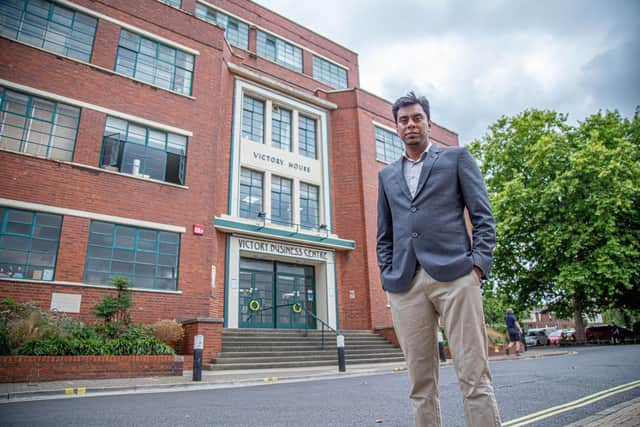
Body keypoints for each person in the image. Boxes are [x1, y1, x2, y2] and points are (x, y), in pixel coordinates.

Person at [377, 91, 501, 427]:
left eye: (417, 118)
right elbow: (384, 233)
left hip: (457, 276)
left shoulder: (456, 158)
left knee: (473, 375)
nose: (411, 125)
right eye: (404, 120)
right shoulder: (387, 176)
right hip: (405, 284)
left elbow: (483, 217)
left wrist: (477, 266)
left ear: (428, 123)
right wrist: (387, 275)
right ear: (396, 127)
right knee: (420, 383)